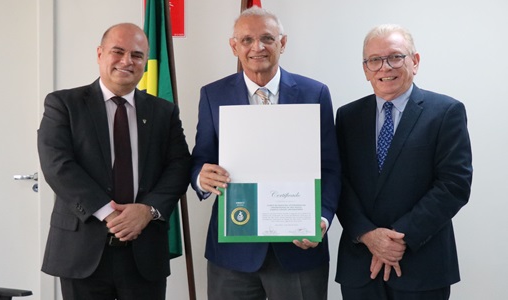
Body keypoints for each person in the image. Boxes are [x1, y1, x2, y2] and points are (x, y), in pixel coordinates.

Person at [190, 7, 341, 300]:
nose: (257, 47)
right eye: (246, 40)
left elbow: (331, 166)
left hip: (299, 249)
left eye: (267, 39)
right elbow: (201, 157)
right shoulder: (213, 95)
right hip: (232, 253)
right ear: (234, 46)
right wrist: (201, 177)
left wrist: (321, 218)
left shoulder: (315, 93)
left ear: (282, 43)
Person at [37, 23, 191, 300]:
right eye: (117, 52)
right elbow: (58, 165)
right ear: (100, 54)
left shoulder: (164, 111)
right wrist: (109, 213)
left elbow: (179, 167)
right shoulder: (64, 104)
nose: (126, 61)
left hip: (144, 250)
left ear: (145, 61)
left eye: (136, 55)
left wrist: (148, 210)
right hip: (81, 251)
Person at [334, 24, 473, 300]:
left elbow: (454, 185)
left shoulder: (446, 112)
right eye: (375, 60)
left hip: (422, 266)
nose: (385, 67)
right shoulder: (347, 116)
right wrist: (368, 235)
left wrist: (399, 238)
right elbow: (339, 182)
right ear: (365, 69)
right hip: (361, 266)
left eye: (395, 57)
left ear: (415, 61)